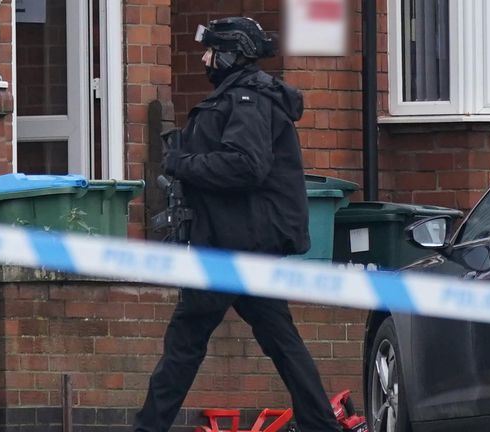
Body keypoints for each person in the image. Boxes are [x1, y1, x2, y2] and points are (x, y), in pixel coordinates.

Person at [134, 16, 341, 432]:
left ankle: (148, 427)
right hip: (238, 240)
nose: (206, 59)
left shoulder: (248, 99)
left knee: (185, 342)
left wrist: (182, 164)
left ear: (231, 55)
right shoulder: (241, 96)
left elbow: (246, 166)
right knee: (280, 340)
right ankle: (322, 424)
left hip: (235, 244)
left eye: (211, 51)